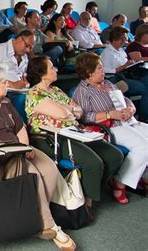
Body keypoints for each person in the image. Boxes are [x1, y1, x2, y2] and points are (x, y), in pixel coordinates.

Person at [0, 63, 76, 251]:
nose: (7, 85)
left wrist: (24, 147)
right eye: (3, 83)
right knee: (34, 176)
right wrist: (15, 151)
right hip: (0, 157)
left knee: (50, 170)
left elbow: (20, 128)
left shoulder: (5, 102)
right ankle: (50, 226)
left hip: (20, 148)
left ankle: (35, 217)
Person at [25, 56, 124, 208]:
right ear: (41, 73)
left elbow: (79, 111)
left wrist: (67, 110)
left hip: (74, 131)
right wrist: (68, 110)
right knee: (94, 163)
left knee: (115, 155)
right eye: (51, 67)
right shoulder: (34, 94)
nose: (56, 69)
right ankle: (87, 203)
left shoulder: (56, 90)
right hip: (52, 138)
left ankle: (87, 189)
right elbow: (64, 114)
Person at [72, 52, 148, 203]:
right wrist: (109, 114)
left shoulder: (108, 84)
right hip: (110, 127)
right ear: (89, 72)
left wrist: (131, 109)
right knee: (144, 146)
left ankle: (142, 176)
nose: (104, 70)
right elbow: (84, 117)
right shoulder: (83, 91)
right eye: (100, 68)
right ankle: (119, 181)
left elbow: (126, 99)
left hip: (128, 120)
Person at [100, 26, 148, 121]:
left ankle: (143, 114)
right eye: (121, 40)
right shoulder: (107, 53)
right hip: (116, 79)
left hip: (127, 75)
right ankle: (144, 117)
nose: (124, 42)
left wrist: (131, 64)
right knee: (145, 89)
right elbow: (106, 71)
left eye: (125, 39)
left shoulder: (121, 51)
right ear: (114, 39)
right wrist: (125, 65)